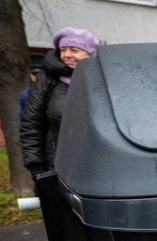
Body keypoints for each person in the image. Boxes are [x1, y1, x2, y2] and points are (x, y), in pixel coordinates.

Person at [19, 27, 99, 178]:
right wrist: (36, 167)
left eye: (74, 50)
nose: (67, 55)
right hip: (55, 167)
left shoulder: (100, 80)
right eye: (63, 50)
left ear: (90, 54)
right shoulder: (48, 79)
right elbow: (31, 124)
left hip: (95, 166)